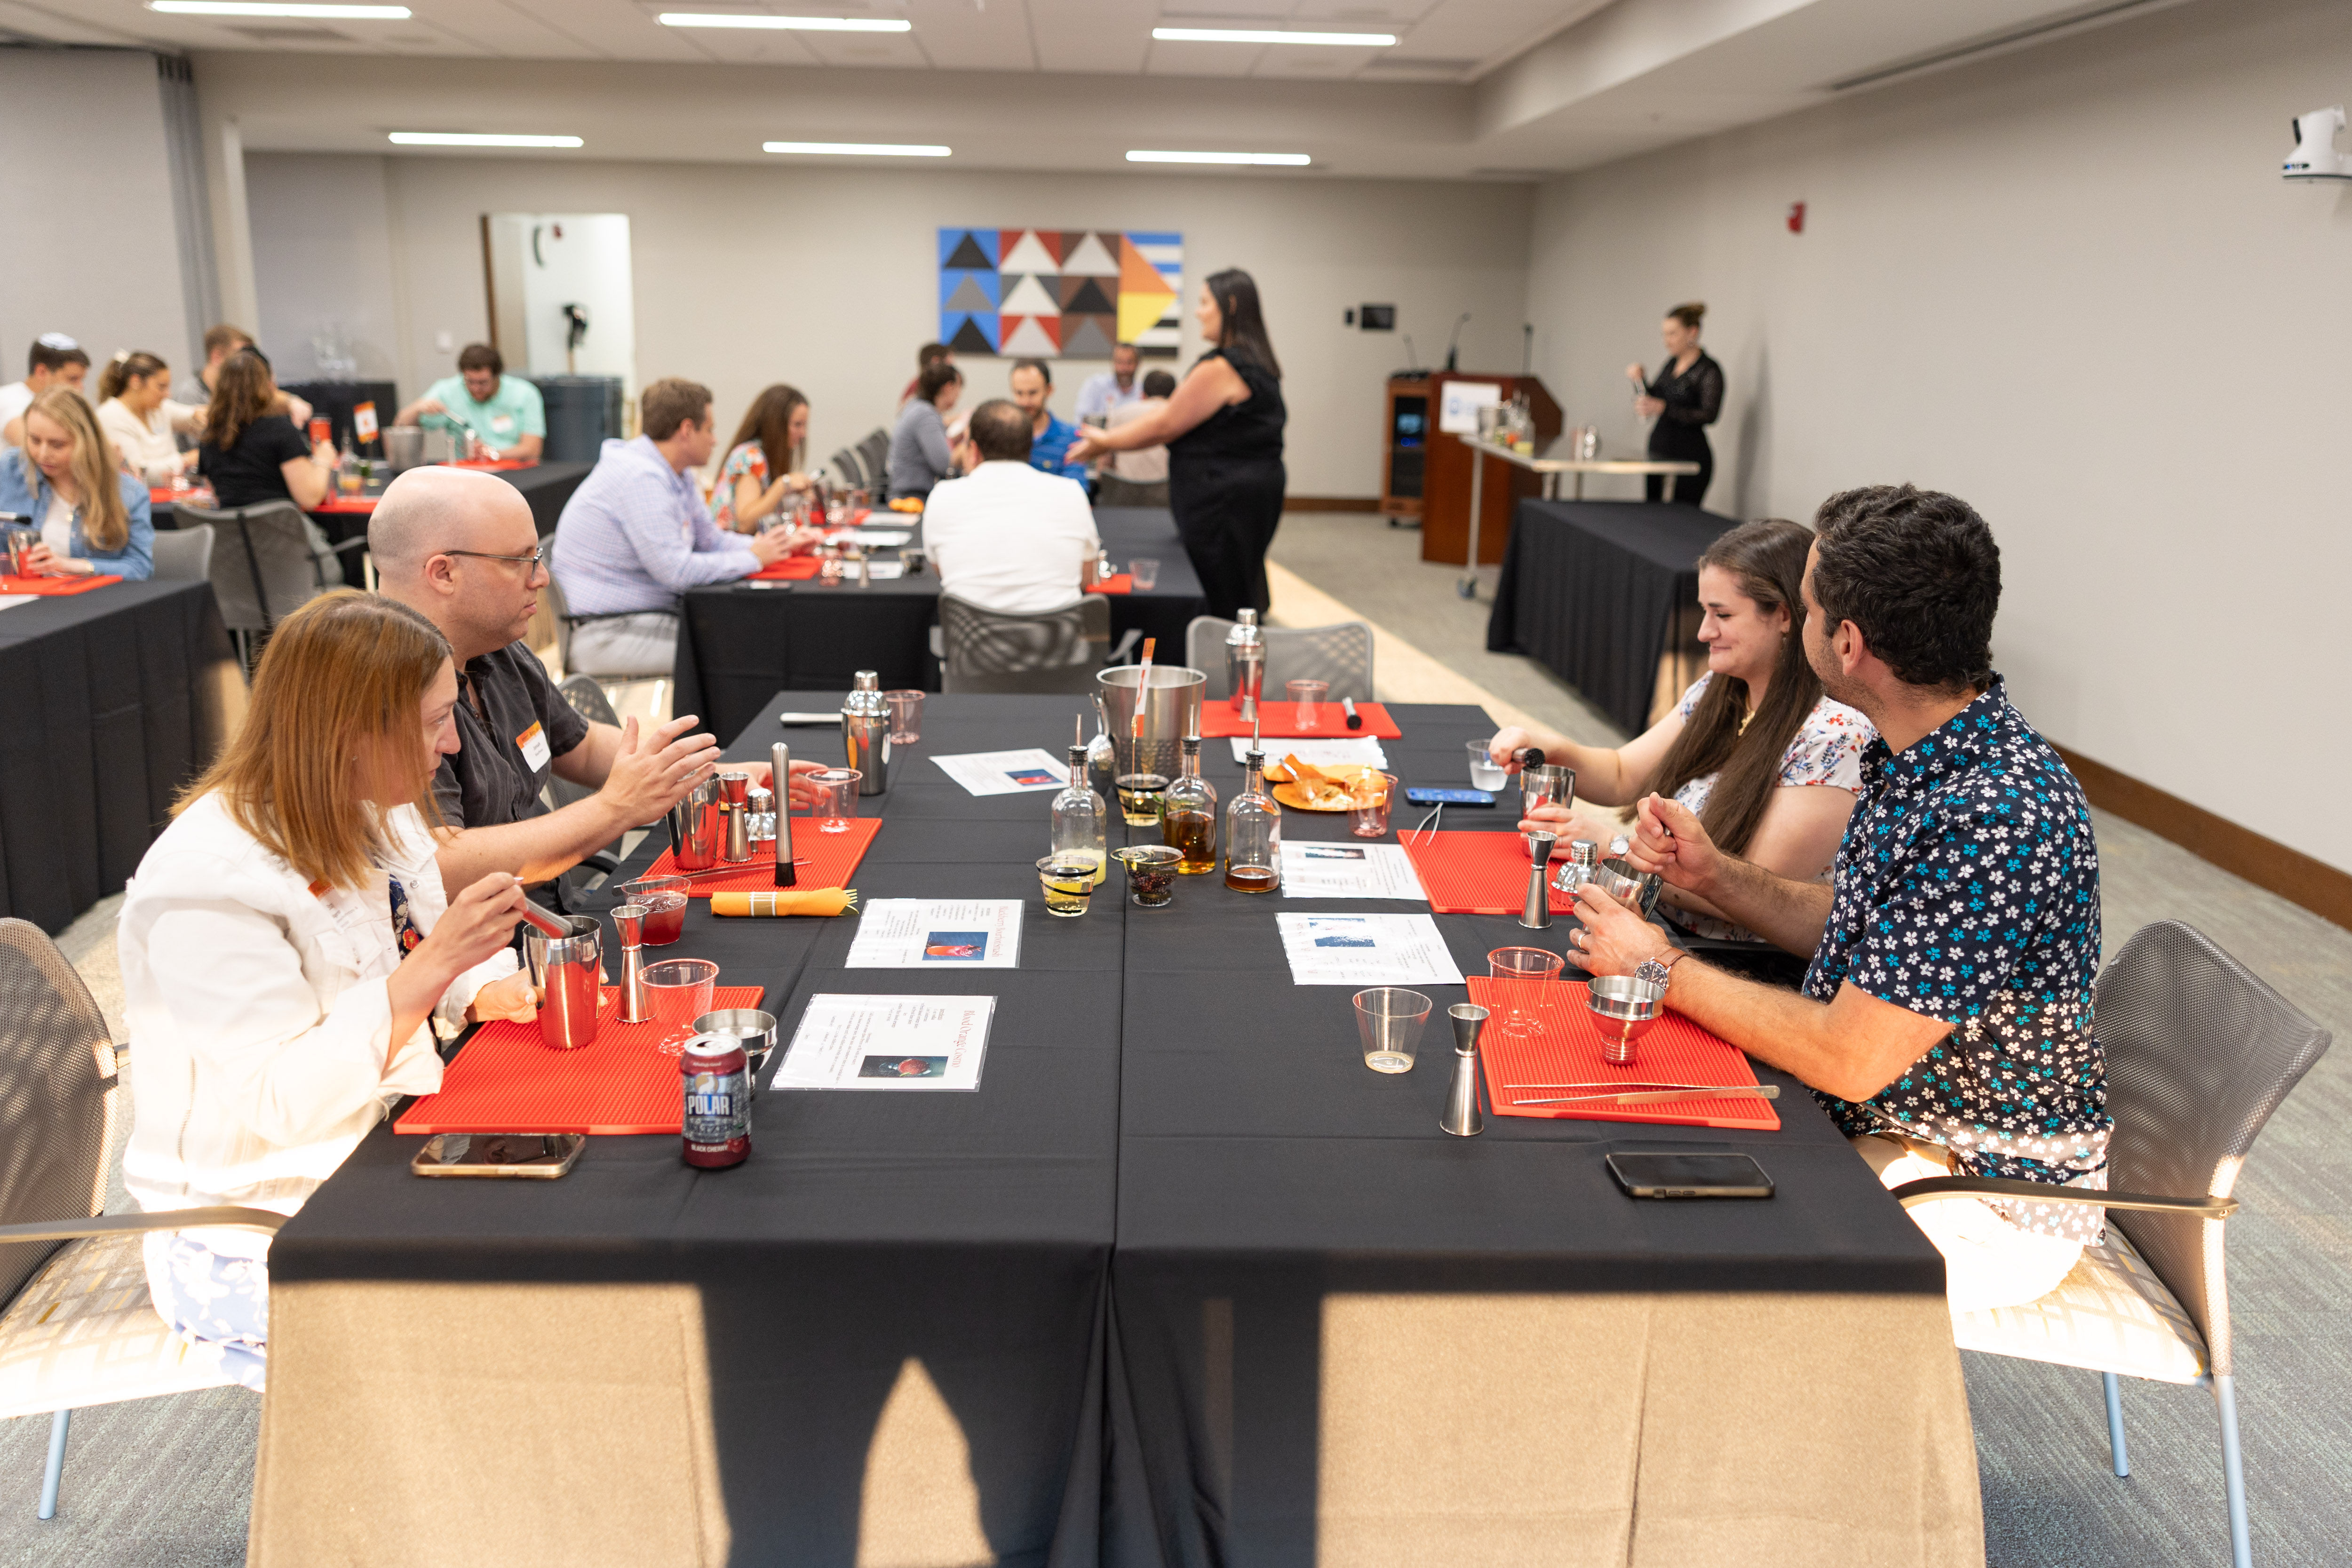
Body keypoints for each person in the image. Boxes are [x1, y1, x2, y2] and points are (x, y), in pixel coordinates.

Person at [1566, 484, 2107, 1315]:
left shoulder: (1993, 816)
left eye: (1810, 609)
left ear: (1846, 643)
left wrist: (1660, 965)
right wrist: (1718, 876)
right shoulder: (1927, 751)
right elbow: (1870, 930)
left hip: (1974, 1191)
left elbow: (1852, 1057)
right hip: (1887, 1126)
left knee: (1661, 1248)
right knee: (1606, 1140)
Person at [119, 590, 541, 1387]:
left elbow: (411, 932)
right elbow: (281, 1100)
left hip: (372, 1151)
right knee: (507, 1322)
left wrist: (481, 985)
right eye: (431, 722)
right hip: (245, 1227)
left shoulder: (372, 805)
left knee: (558, 1236)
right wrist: (431, 974)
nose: (450, 745)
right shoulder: (204, 887)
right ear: (352, 733)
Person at [367, 465, 818, 893]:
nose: (542, 578)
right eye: (519, 561)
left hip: (555, 921)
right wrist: (615, 809)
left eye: (538, 558)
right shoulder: (382, 689)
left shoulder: (499, 651)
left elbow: (580, 748)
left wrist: (717, 776)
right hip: (493, 957)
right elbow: (441, 868)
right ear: (444, 572)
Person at [1488, 519, 1871, 944]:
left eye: (1722, 615)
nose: (1704, 632)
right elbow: (1621, 774)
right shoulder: (1722, 687)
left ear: (1783, 615)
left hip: (1731, 961)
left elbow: (1753, 895)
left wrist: (1614, 847)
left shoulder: (1836, 735)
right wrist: (1553, 747)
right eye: (1705, 611)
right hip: (1661, 921)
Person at [1069, 268, 1286, 620]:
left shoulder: (1222, 367)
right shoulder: (1258, 363)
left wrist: (1106, 441)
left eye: (1204, 303)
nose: (1198, 312)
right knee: (1237, 584)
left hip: (1224, 501)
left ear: (1229, 306)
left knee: (1221, 591)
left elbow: (1166, 424)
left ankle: (1218, 660)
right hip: (1248, 493)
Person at [550, 376, 794, 678]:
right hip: (608, 633)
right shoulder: (640, 478)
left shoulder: (676, 473)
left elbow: (709, 540)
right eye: (710, 430)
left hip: (643, 618)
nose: (716, 440)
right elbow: (676, 573)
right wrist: (755, 558)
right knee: (739, 653)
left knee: (745, 633)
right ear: (687, 431)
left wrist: (778, 547)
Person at [922, 398, 1100, 615]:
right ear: (1029, 448)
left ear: (974, 450)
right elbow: (1086, 578)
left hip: (974, 645)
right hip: (1054, 646)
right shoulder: (1071, 493)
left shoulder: (942, 496)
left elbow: (943, 572)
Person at [0, 389, 155, 580]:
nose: (42, 454)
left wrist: (73, 566)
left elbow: (140, 568)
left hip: (93, 603)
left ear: (86, 443)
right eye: (35, 440)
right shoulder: (9, 470)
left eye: (57, 445)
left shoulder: (128, 493)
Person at [197, 349, 340, 511]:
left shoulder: (210, 436)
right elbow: (309, 497)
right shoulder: (280, 431)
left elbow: (216, 495)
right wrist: (324, 459)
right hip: (284, 533)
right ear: (268, 386)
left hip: (233, 534)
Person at [1627, 302, 1722, 506]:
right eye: (1664, 334)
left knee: (1681, 519)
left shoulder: (1709, 370)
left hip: (1690, 456)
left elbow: (1709, 414)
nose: (1667, 341)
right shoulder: (1671, 364)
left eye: (1672, 334)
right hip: (1659, 450)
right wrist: (1640, 381)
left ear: (1692, 333)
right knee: (1652, 514)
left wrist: (1664, 408)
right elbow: (1656, 397)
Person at [395, 342, 546, 463]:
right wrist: (416, 408)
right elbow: (400, 427)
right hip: (467, 475)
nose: (476, 388)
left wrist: (492, 454)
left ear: (497, 376)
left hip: (514, 471)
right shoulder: (448, 391)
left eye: (483, 383)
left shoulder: (524, 394)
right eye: (470, 382)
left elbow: (532, 450)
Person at [710, 382, 818, 532]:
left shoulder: (765, 455)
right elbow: (746, 523)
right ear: (775, 424)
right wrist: (783, 486)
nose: (803, 434)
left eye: (804, 425)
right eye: (797, 425)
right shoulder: (750, 456)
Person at [96, 350, 203, 484]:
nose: (168, 394)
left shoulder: (159, 408)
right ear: (135, 382)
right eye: (161, 387)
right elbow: (138, 472)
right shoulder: (110, 415)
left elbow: (197, 415)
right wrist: (187, 460)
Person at [181, 324, 311, 429]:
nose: (249, 362)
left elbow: (269, 396)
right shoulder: (190, 395)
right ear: (217, 356)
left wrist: (292, 402)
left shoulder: (239, 389)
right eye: (241, 356)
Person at [1095, 368, 1176, 507]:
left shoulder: (1119, 415)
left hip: (1123, 505)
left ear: (1143, 395)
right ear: (1175, 395)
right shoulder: (1179, 417)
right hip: (1167, 506)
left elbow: (1103, 468)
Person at [886, 360, 964, 502]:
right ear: (948, 388)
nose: (959, 396)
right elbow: (945, 466)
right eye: (959, 389)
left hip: (908, 493)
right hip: (912, 498)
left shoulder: (916, 406)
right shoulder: (925, 415)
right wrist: (966, 451)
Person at [0, 333, 91, 447]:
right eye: (73, 379)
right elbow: (29, 448)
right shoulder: (8, 399)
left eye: (81, 380)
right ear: (42, 372)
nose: (80, 388)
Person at [1008, 359, 1085, 480]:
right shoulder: (1004, 437)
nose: (1025, 401)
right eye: (1019, 393)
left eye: (1033, 393)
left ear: (1049, 390)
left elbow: (1075, 491)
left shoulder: (1071, 438)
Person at [1075, 342, 1144, 423]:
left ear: (1138, 364)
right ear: (1113, 362)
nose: (1124, 368)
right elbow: (1081, 419)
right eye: (1120, 362)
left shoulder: (1144, 391)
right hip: (1099, 435)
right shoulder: (1095, 385)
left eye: (1129, 363)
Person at [897, 341, 951, 410]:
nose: (952, 373)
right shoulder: (922, 389)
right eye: (949, 367)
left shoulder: (919, 385)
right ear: (936, 362)